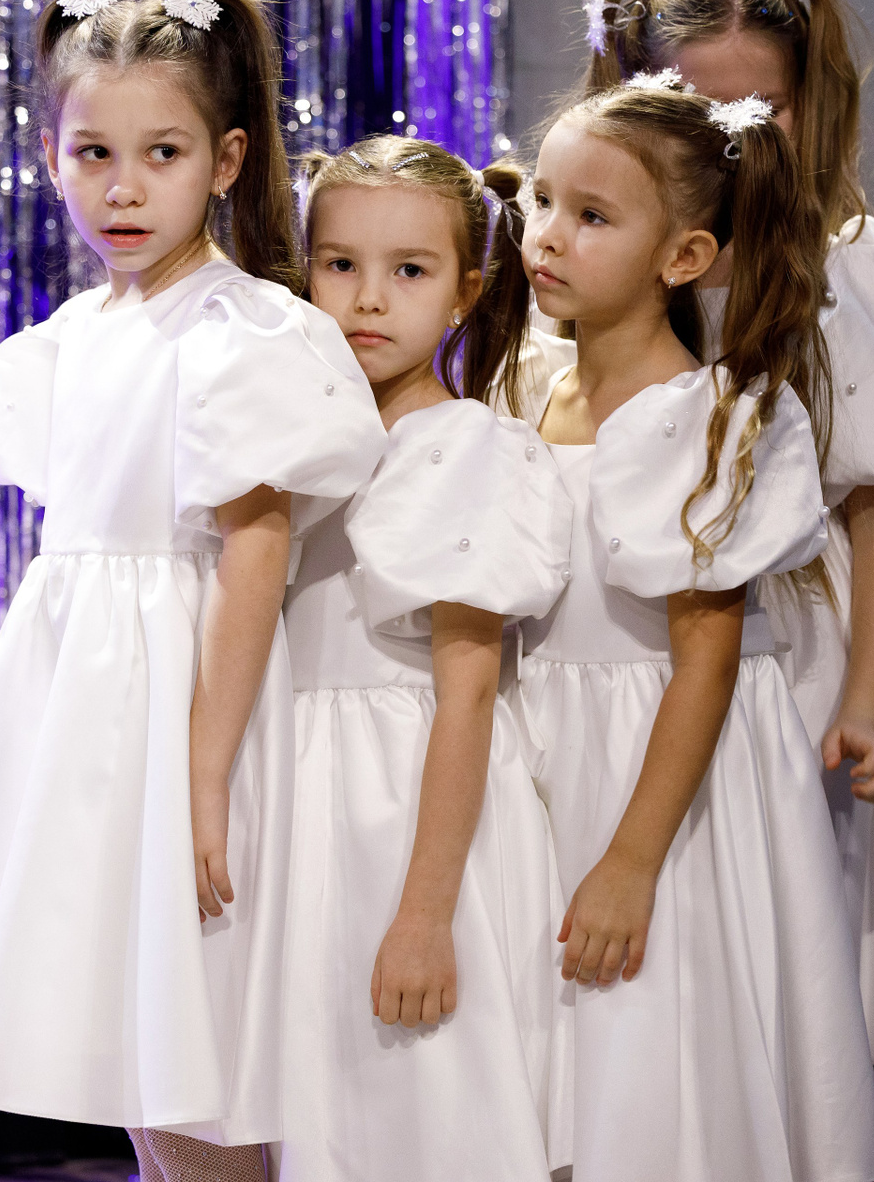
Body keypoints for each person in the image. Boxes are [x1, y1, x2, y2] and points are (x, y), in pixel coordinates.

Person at [0, 0, 387, 1182]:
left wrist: (203, 775)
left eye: (162, 153)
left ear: (224, 160)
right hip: (86, 717)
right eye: (93, 152)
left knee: (201, 1043)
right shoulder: (63, 344)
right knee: (133, 1053)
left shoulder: (243, 331)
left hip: (190, 714)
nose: (122, 187)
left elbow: (255, 553)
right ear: (48, 156)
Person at [574, 0, 874, 1073]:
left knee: (763, 955)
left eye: (764, 107)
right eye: (695, 104)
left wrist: (868, 703)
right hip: (613, 650)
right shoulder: (592, 256)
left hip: (778, 652)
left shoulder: (832, 274)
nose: (733, 135)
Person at [515, 82, 874, 1182]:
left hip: (665, 776)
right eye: (543, 200)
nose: (549, 234)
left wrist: (633, 859)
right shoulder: (531, 392)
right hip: (551, 756)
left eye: (593, 215)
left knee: (667, 1047)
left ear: (683, 257)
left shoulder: (710, 417)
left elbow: (707, 661)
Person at [278, 136, 572, 1180]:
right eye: (339, 264)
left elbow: (470, 693)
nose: (368, 297)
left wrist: (423, 912)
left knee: (428, 1112)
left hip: (411, 813)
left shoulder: (466, 447)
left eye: (409, 269)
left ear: (464, 292)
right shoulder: (292, 452)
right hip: (306, 810)